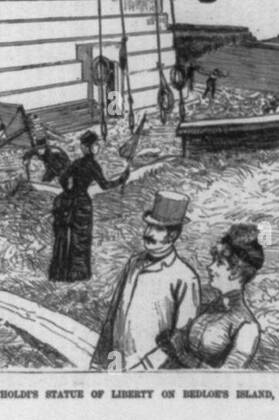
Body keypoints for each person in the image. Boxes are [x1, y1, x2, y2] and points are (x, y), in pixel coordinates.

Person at [91, 190, 201, 371]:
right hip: (117, 366)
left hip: (153, 373)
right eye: (148, 226)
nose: (147, 233)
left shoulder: (185, 277)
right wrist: (99, 363)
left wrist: (145, 367)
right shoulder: (134, 263)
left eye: (157, 229)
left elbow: (181, 337)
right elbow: (113, 316)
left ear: (172, 235)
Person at [157, 223, 264, 369]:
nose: (210, 267)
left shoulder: (247, 326)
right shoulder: (206, 308)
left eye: (219, 263)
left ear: (237, 272)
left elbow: (226, 379)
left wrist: (181, 354)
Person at [48, 129, 129, 282]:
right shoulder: (93, 165)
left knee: (65, 237)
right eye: (95, 145)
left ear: (84, 148)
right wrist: (121, 179)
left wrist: (69, 189)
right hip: (82, 204)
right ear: (92, 147)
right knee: (81, 239)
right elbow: (104, 185)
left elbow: (63, 179)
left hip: (68, 201)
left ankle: (60, 273)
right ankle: (78, 274)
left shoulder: (76, 163)